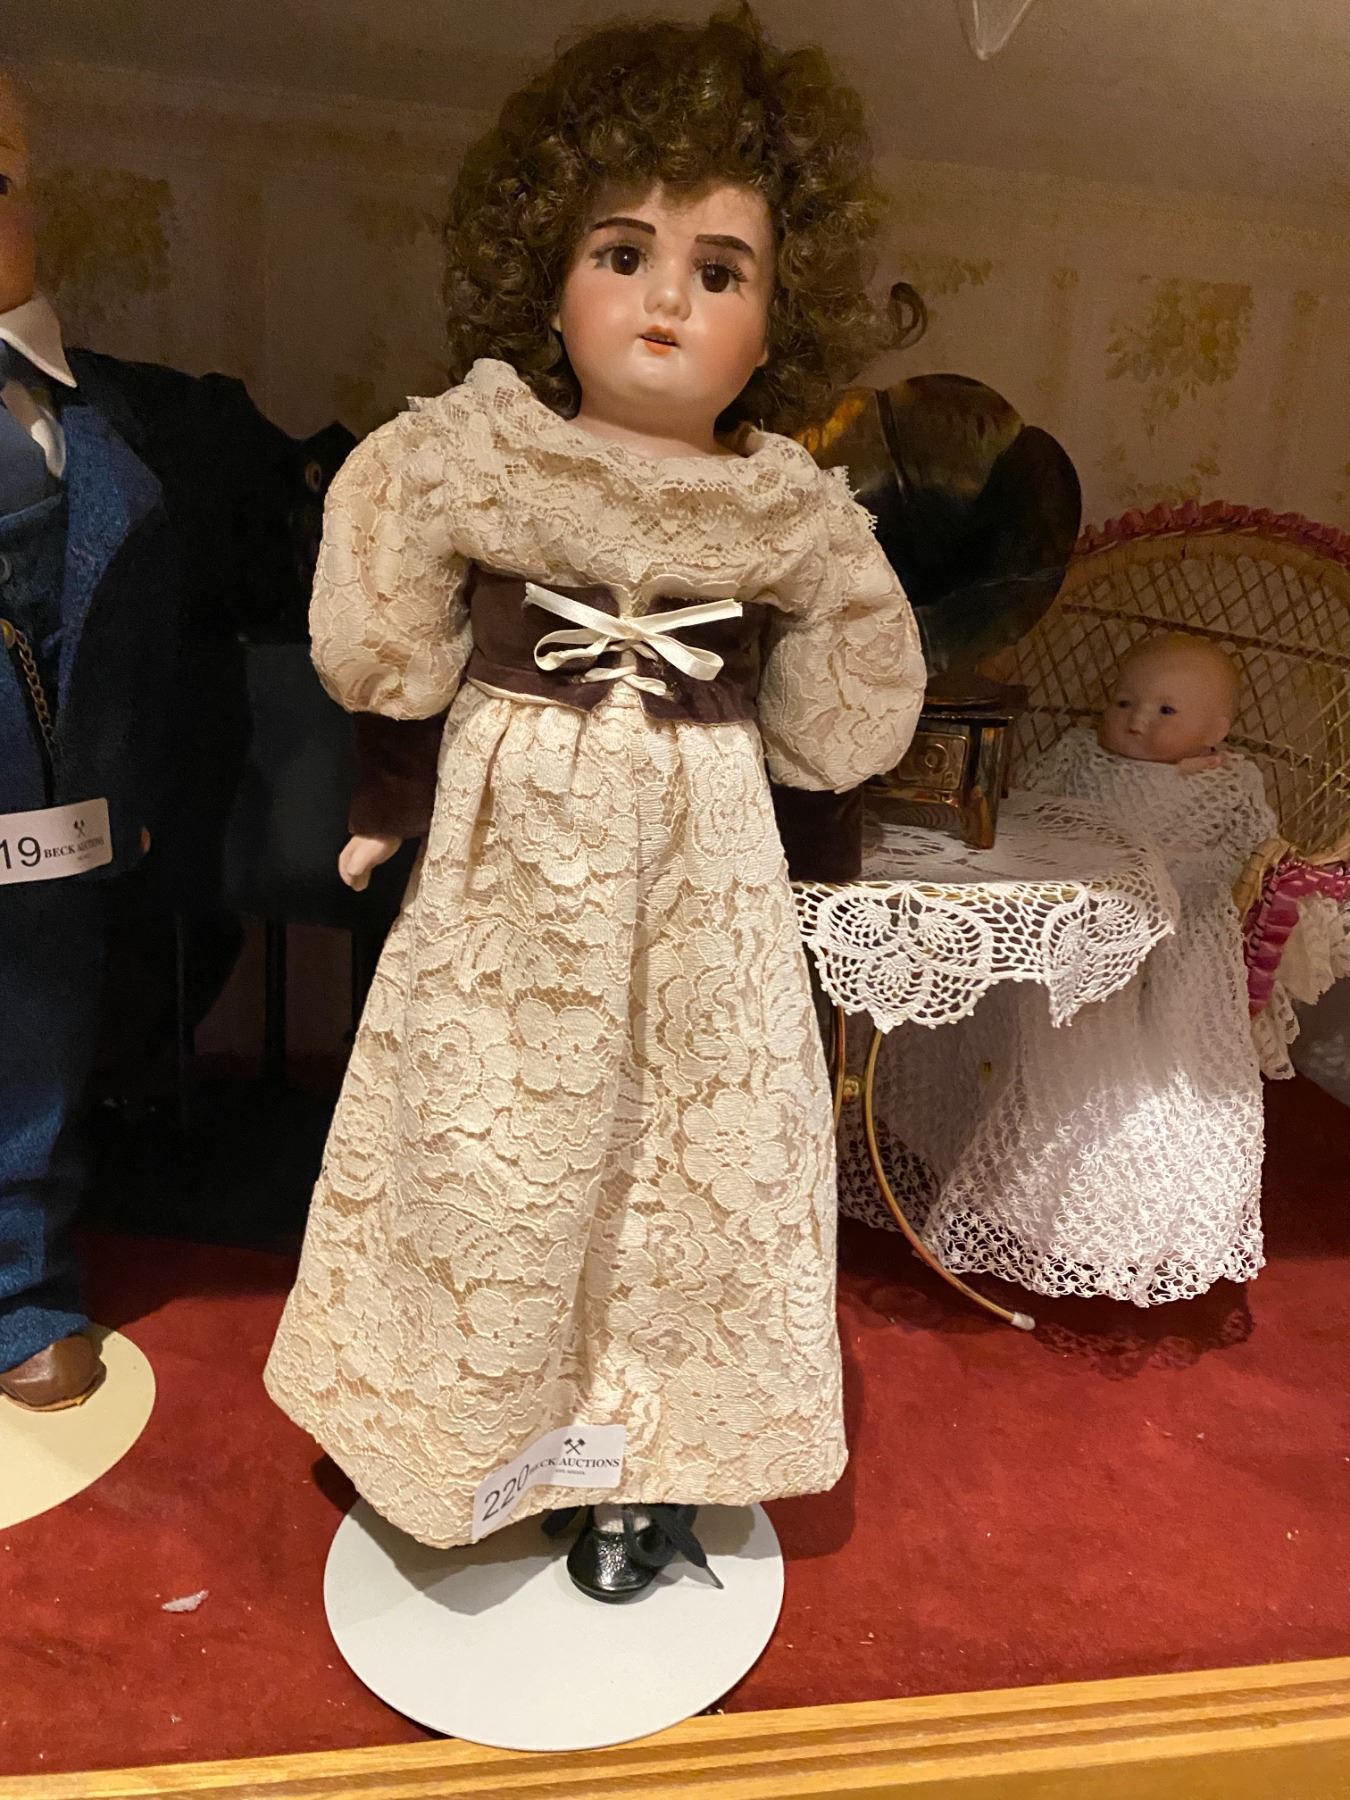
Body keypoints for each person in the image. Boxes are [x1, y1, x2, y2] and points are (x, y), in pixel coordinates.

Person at [264, 4, 925, 1600]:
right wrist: (387, 792)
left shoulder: (785, 509)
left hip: (703, 866)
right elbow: (390, 615)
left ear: (776, 323)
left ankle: (644, 1461)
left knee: (684, 1156)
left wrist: (816, 846)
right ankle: (457, 1430)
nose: (664, 300)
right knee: (489, 1135)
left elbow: (842, 686)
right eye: (623, 253)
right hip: (515, 868)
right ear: (546, 273)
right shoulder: (479, 455)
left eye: (720, 271)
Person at [872, 631, 1281, 1307]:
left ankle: (1083, 1212)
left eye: (1167, 711)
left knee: (1117, 1070)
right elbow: (1027, 809)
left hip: (1157, 930)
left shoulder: (1227, 780)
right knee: (1003, 1012)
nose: (1137, 720)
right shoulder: (1078, 754)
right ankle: (970, 1148)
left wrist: (1183, 877)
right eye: (1124, 702)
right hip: (1065, 912)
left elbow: (1253, 851)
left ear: (1217, 730)